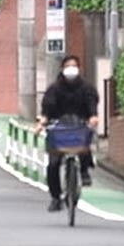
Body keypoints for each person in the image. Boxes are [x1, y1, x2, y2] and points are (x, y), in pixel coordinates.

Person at [37, 54, 99, 212]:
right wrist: (43, 120)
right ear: (62, 69)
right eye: (68, 66)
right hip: (59, 129)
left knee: (84, 146)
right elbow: (47, 107)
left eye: (74, 65)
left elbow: (92, 103)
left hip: (79, 126)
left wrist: (92, 117)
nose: (71, 69)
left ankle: (84, 171)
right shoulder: (55, 88)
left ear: (79, 69)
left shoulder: (86, 88)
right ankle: (55, 198)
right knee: (53, 164)